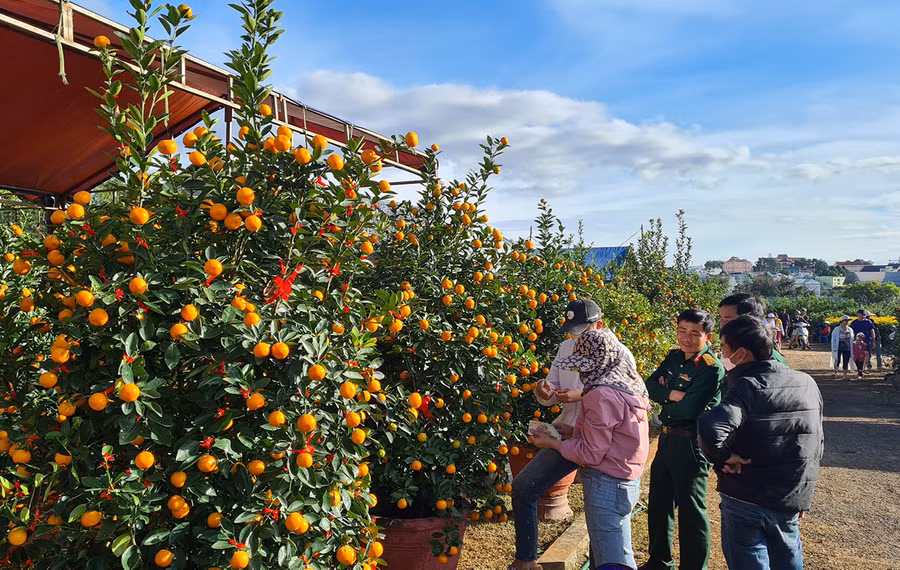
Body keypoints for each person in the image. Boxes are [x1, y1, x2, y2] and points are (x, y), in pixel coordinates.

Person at [511, 299, 635, 570]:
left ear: (599, 325)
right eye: (571, 330)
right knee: (523, 487)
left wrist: (582, 394)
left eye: (580, 330)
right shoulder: (567, 348)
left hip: (603, 443)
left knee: (599, 514)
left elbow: (627, 395)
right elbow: (553, 387)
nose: (574, 336)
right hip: (568, 433)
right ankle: (526, 560)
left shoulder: (619, 353)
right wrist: (542, 391)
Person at [697, 316, 823, 570]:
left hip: (747, 496)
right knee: (788, 558)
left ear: (741, 354)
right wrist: (802, 496)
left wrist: (724, 457)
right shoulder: (806, 382)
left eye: (723, 349)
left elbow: (711, 427)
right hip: (789, 496)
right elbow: (816, 442)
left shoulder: (748, 386)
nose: (722, 355)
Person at [531, 328, 651, 570]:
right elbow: (614, 435)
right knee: (619, 550)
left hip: (606, 482)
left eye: (584, 365)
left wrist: (553, 443)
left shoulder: (600, 395)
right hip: (626, 479)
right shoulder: (628, 383)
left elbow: (590, 453)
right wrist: (574, 432)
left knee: (612, 560)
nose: (581, 371)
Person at [638, 309, 725, 570]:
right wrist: (670, 394)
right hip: (666, 441)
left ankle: (694, 566)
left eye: (694, 334)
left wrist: (666, 398)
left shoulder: (711, 368)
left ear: (707, 336)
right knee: (659, 504)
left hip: (690, 444)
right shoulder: (673, 357)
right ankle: (660, 561)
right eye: (682, 331)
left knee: (691, 512)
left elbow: (689, 410)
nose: (686, 338)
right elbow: (648, 386)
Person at [718, 294, 789, 367]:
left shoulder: (768, 360)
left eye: (728, 320)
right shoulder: (732, 353)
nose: (721, 325)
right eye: (722, 319)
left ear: (750, 320)